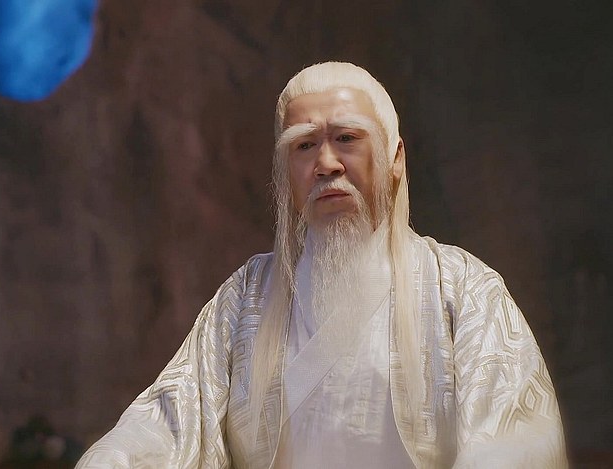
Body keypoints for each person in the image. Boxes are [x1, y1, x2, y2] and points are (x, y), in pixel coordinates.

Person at [76, 62, 567, 468]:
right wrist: (115, 456)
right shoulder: (247, 296)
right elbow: (172, 421)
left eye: (347, 138)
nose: (326, 163)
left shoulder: (461, 288)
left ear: (395, 157)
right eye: (304, 145)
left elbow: (516, 437)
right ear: (285, 170)